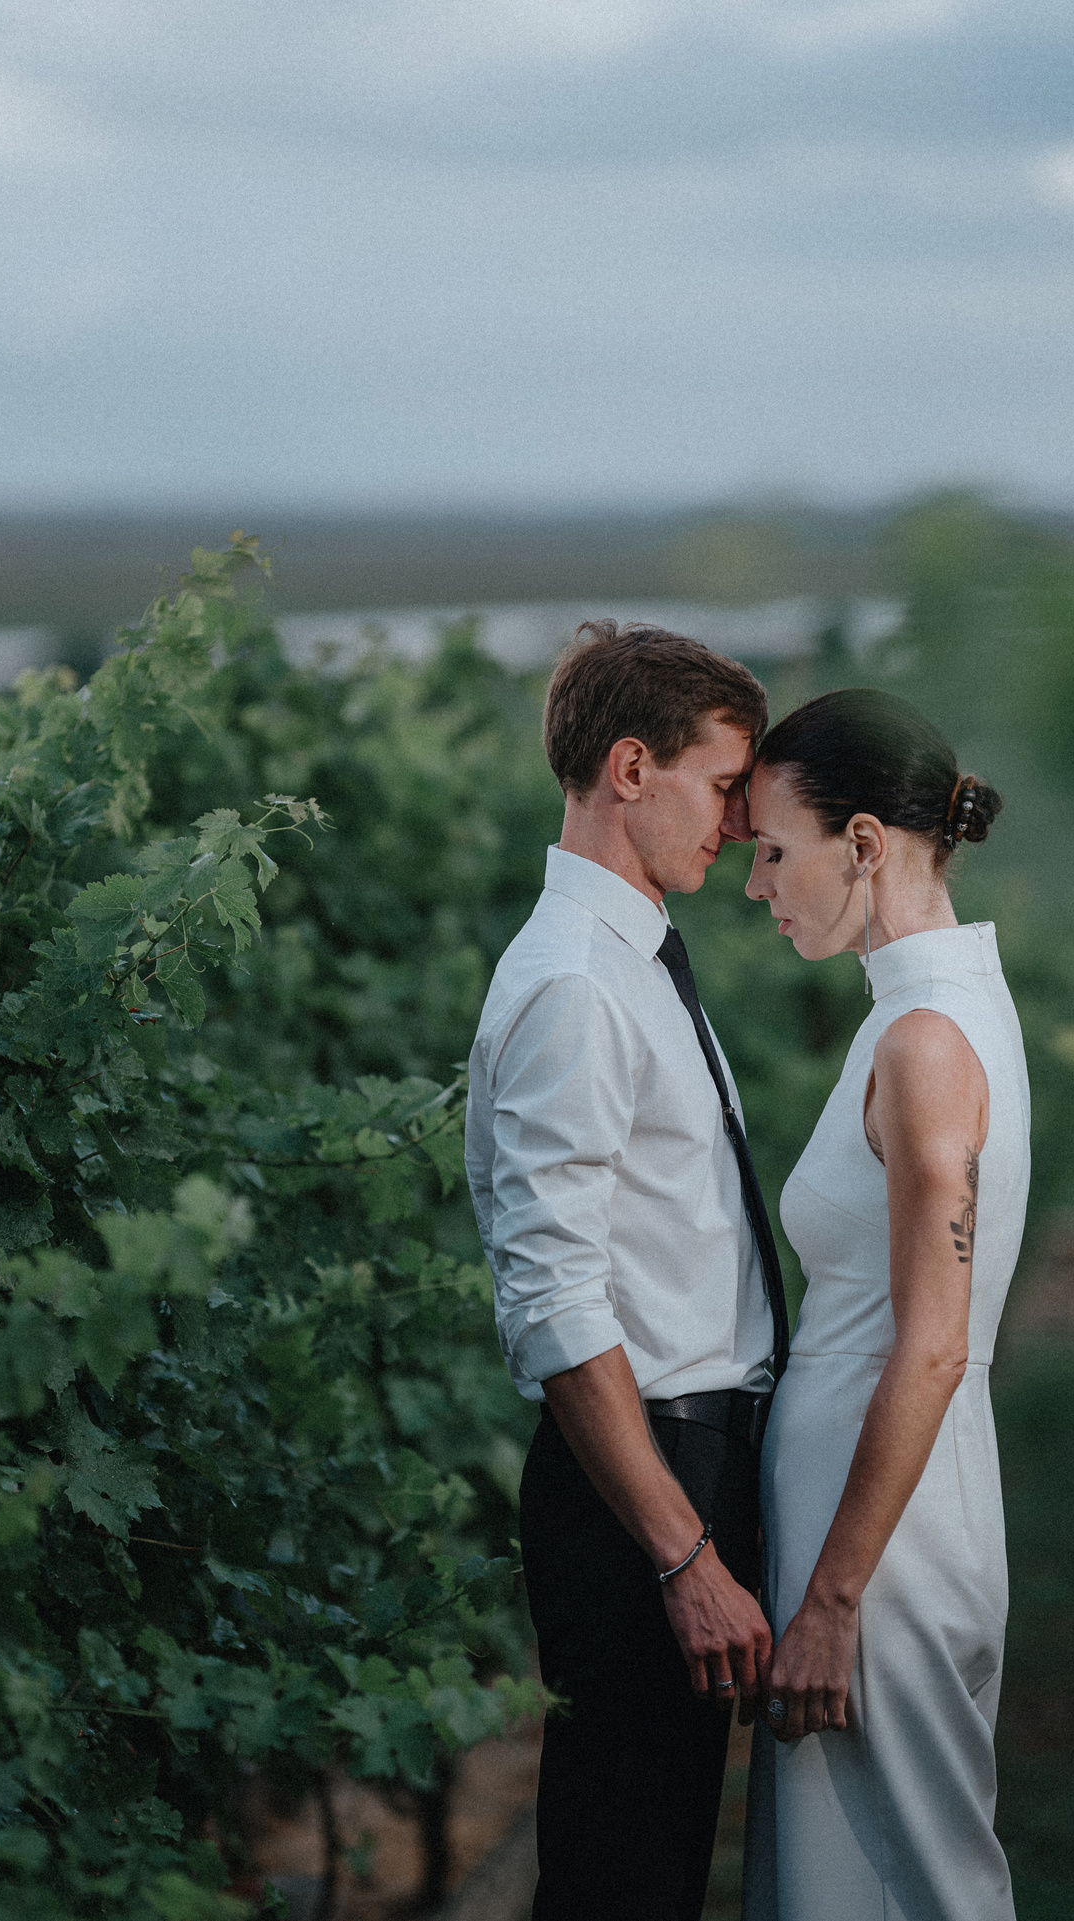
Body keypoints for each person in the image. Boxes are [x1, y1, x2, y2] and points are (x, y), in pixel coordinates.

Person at [464, 620, 789, 1921]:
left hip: (686, 1462)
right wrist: (683, 1554)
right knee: (618, 1881)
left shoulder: (633, 959)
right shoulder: (574, 989)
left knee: (654, 1868)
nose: (740, 820)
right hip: (640, 1483)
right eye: (723, 787)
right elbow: (554, 1302)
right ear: (631, 767)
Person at [737, 687, 1025, 1921]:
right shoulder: (936, 1008)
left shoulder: (921, 1043)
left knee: (916, 1892)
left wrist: (830, 1601)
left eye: (770, 849)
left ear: (860, 843)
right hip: (886, 1517)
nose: (756, 884)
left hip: (880, 1548)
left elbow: (934, 1343)